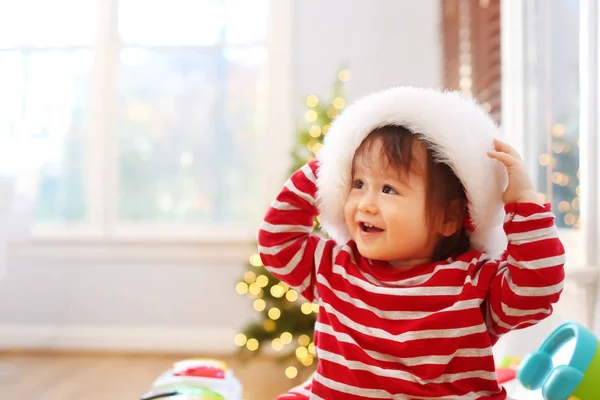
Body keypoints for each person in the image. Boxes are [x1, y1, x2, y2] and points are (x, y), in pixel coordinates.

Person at [258, 87, 565, 399]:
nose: (366, 203)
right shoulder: (335, 267)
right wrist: (326, 167)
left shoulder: (473, 281)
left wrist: (524, 202)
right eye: (358, 184)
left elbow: (537, 288)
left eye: (388, 189)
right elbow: (276, 242)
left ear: (450, 218)